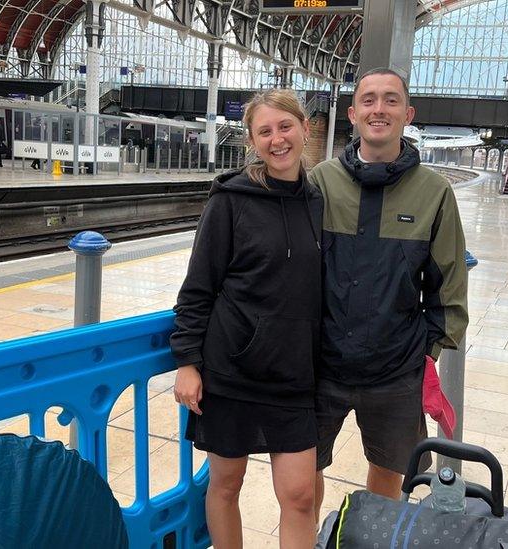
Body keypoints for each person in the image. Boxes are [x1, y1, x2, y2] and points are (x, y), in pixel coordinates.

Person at [307, 68, 469, 515]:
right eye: (370, 100)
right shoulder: (322, 182)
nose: (380, 109)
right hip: (320, 363)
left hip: (394, 369)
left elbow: (449, 283)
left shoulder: (433, 193)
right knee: (303, 476)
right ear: (353, 113)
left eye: (391, 100)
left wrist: (428, 352)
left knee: (387, 475)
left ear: (407, 114)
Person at [170, 88, 322, 548]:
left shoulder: (318, 202)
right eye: (265, 131)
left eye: (285, 127)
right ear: (252, 142)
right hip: (232, 369)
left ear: (305, 129)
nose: (277, 139)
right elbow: (199, 287)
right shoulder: (230, 201)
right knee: (226, 484)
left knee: (298, 494)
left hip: (295, 374)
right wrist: (188, 362)